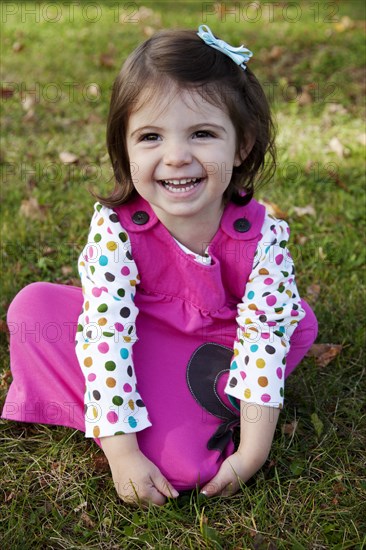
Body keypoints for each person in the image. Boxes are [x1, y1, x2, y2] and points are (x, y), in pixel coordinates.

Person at [2, 25, 318, 506]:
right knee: (34, 308)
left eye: (202, 133)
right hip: (135, 340)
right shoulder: (117, 228)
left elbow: (262, 338)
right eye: (150, 136)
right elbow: (105, 329)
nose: (176, 157)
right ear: (124, 148)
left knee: (188, 464)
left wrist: (253, 451)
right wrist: (122, 451)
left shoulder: (261, 238)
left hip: (218, 350)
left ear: (242, 145)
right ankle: (124, 414)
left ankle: (205, 407)